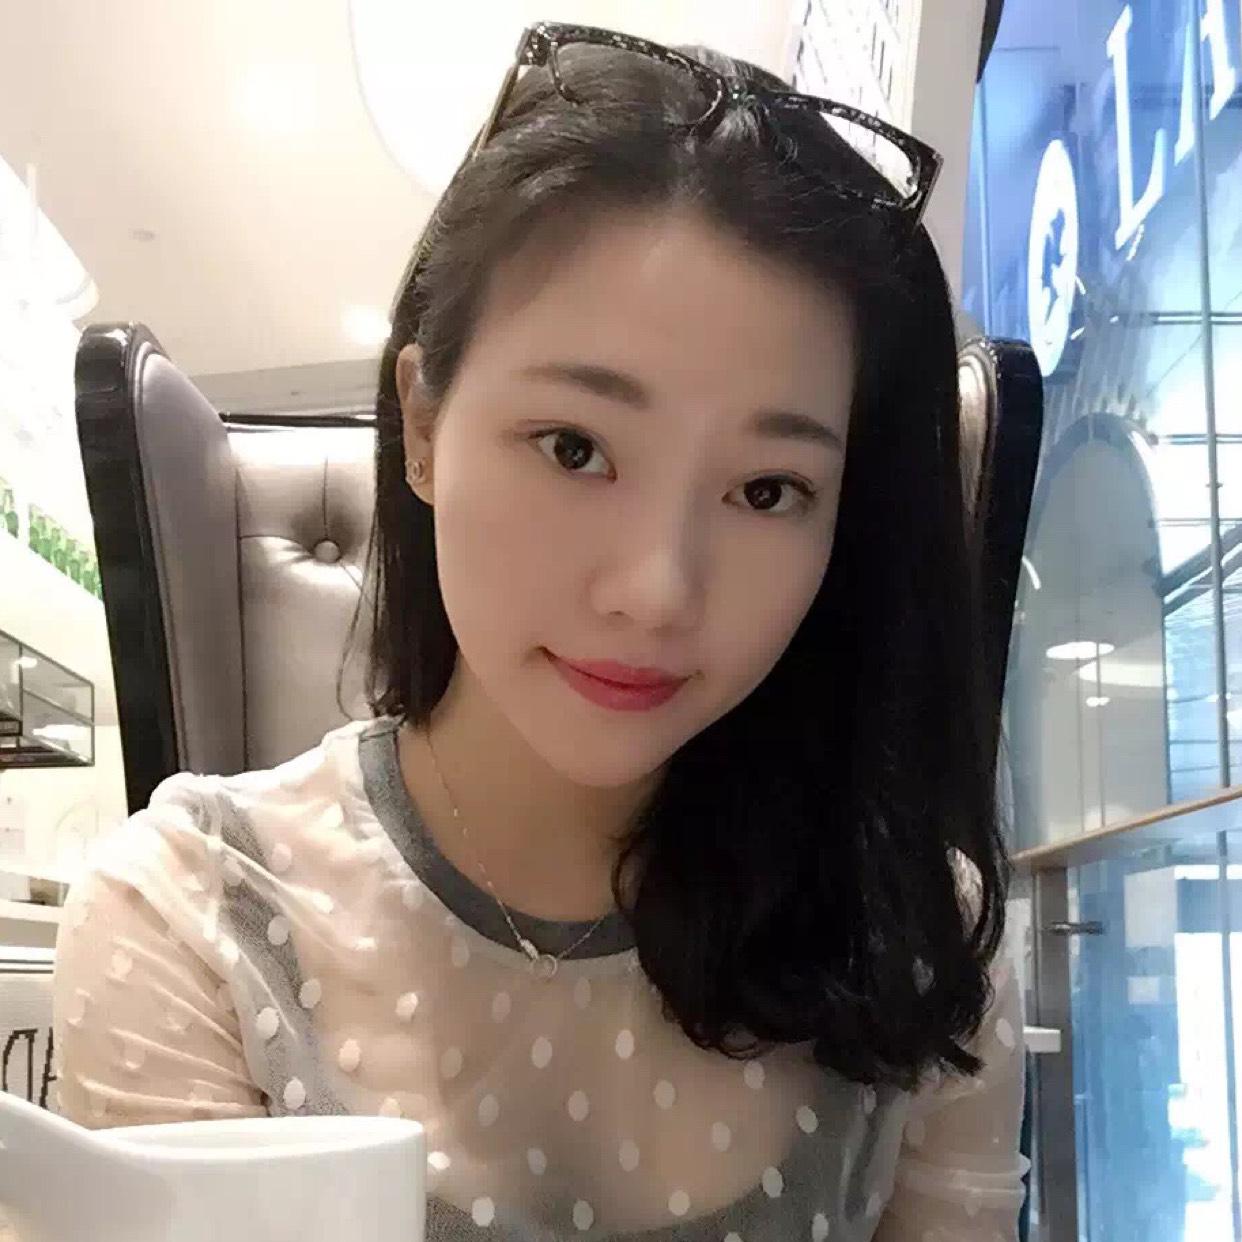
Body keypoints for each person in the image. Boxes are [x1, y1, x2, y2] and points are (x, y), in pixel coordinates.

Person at [52, 22, 1030, 1241]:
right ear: (422, 426)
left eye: (767, 489)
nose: (657, 591)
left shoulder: (916, 936)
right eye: (575, 448)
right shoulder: (197, 919)